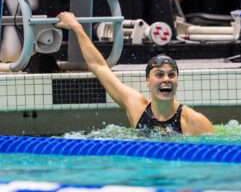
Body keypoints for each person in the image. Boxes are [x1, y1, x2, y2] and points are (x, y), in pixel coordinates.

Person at [55, 12, 215, 136]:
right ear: (148, 81)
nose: (166, 79)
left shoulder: (193, 121)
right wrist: (77, 28)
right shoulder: (136, 106)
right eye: (159, 75)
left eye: (171, 75)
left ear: (177, 80)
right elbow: (99, 67)